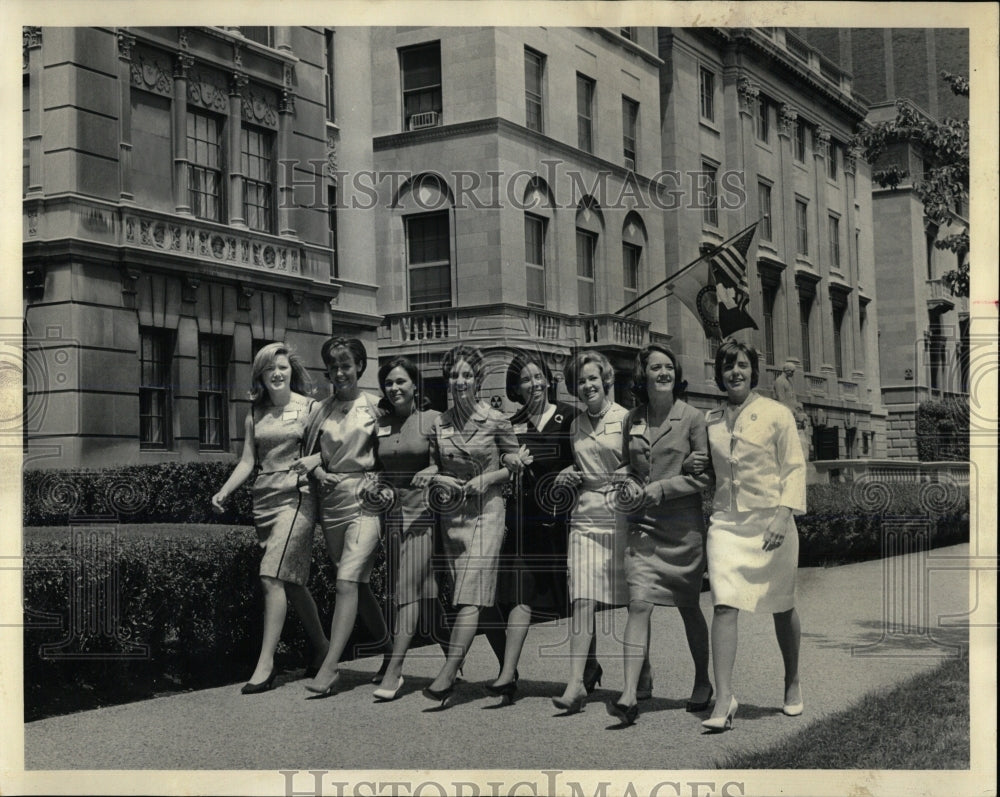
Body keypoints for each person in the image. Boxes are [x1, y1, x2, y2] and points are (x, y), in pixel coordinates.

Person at [690, 339, 807, 732]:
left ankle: (791, 681)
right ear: (720, 374)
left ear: (753, 371)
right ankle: (724, 698)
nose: (734, 372)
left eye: (741, 365)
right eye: (727, 366)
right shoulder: (711, 421)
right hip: (726, 523)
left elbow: (794, 467)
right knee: (724, 603)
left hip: (772, 521)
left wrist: (782, 515)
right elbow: (711, 475)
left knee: (782, 604)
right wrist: (696, 464)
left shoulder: (777, 413)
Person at [211, 342, 329, 694]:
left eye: (282, 367)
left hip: (299, 499)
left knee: (270, 576)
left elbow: (333, 448)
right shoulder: (255, 413)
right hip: (265, 500)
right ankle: (323, 648)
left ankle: (266, 665)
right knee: (291, 581)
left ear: (292, 370)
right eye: (269, 369)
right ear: (261, 375)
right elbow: (248, 461)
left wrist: (316, 461)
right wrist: (224, 491)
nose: (277, 373)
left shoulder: (311, 408)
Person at [607, 344, 714, 726]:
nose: (663, 372)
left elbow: (704, 478)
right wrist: (624, 478)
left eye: (669, 366)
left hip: (682, 529)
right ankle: (630, 693)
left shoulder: (693, 418)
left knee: (688, 607)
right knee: (638, 603)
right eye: (656, 367)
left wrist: (664, 488)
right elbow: (625, 463)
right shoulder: (632, 418)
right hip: (642, 525)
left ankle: (703, 681)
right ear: (644, 375)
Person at [422, 344, 529, 707]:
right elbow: (436, 466)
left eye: (467, 374)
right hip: (453, 518)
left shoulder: (496, 419)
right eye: (454, 375)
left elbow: (514, 460)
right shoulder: (440, 422)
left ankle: (449, 673)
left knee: (469, 593)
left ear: (478, 380)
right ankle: (508, 675)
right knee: (483, 599)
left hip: (488, 512)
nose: (460, 381)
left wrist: (495, 474)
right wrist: (435, 477)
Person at [296, 337, 391, 697]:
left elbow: (393, 451)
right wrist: (318, 470)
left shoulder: (375, 407)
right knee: (357, 585)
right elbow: (309, 455)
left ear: (360, 367)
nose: (339, 373)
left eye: (346, 365)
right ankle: (390, 650)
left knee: (346, 581)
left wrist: (380, 482)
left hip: (365, 501)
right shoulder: (321, 410)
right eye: (333, 367)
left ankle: (330, 666)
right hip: (331, 504)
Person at [479, 351, 576, 705]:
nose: (533, 384)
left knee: (574, 598)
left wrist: (571, 473)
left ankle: (590, 666)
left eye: (537, 376)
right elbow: (498, 456)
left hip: (561, 521)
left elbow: (587, 458)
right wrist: (509, 458)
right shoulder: (512, 422)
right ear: (515, 387)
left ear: (548, 379)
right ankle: (507, 674)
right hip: (523, 520)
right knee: (520, 593)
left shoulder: (569, 416)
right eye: (524, 379)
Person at [552, 350, 630, 714]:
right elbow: (584, 463)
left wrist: (625, 477)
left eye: (592, 379)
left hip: (619, 514)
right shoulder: (575, 425)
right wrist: (571, 472)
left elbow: (637, 465)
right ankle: (576, 683)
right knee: (581, 597)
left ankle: (641, 670)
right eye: (581, 381)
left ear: (606, 380)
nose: (587, 386)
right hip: (585, 515)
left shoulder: (626, 419)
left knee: (630, 597)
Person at [370, 356, 450, 701]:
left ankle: (395, 669)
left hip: (424, 513)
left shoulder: (433, 420)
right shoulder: (382, 423)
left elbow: (447, 462)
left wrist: (433, 471)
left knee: (406, 589)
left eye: (401, 381)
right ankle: (454, 656)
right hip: (392, 514)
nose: (395, 388)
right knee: (426, 594)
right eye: (389, 383)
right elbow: (378, 466)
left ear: (416, 385)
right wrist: (378, 483)